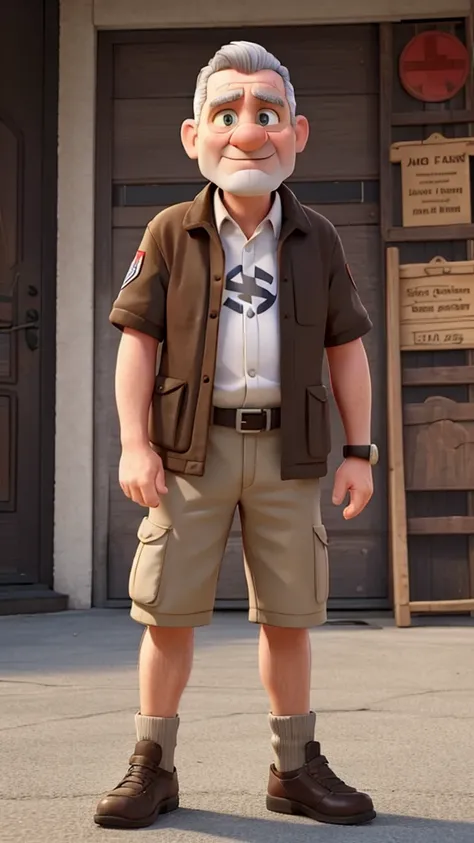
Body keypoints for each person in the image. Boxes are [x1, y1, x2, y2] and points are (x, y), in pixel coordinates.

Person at [94, 40, 379, 830]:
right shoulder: (171, 230)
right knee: (168, 611)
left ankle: (294, 767)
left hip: (287, 453)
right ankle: (152, 762)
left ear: (298, 131)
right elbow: (137, 343)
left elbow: (346, 348)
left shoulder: (317, 237)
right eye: (226, 114)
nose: (248, 133)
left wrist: (359, 450)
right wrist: (133, 442)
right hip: (190, 449)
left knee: (288, 614)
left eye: (267, 114)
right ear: (194, 134)